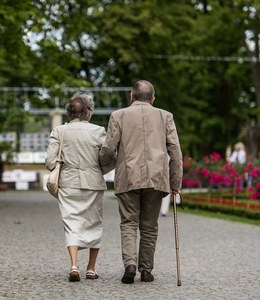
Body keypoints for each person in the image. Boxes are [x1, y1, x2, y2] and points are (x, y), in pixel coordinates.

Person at [100, 80, 182, 284]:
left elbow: (109, 149)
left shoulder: (118, 116)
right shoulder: (165, 116)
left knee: (128, 223)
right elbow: (176, 152)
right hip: (156, 178)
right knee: (149, 226)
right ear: (153, 98)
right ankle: (146, 270)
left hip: (128, 176)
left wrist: (103, 166)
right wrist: (175, 183)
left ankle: (130, 264)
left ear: (131, 97)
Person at [45, 92, 113, 282]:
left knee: (72, 223)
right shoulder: (98, 131)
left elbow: (50, 161)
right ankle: (91, 269)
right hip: (93, 182)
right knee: (94, 223)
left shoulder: (59, 131)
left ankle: (74, 265)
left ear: (69, 112)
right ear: (88, 112)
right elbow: (110, 157)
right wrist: (99, 169)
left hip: (68, 183)